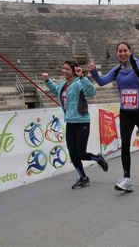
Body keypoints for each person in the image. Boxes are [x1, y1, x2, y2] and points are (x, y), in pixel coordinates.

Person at [89, 42, 139, 192]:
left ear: (130, 51)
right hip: (126, 111)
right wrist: (93, 72)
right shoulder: (117, 69)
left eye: (125, 50)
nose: (122, 53)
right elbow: (101, 82)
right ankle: (127, 179)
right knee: (125, 144)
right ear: (117, 53)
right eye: (120, 51)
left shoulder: (138, 65)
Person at [42, 61, 109, 189]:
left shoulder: (79, 83)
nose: (64, 71)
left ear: (74, 71)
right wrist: (47, 80)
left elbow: (91, 93)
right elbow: (56, 91)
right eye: (63, 68)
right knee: (73, 154)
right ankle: (83, 178)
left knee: (81, 153)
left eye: (67, 69)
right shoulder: (64, 84)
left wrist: (82, 77)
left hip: (82, 121)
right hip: (70, 122)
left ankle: (98, 159)